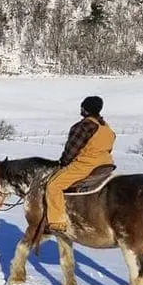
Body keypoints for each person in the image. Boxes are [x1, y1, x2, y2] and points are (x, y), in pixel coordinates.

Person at [45, 96, 116, 232]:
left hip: (86, 165)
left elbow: (71, 150)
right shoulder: (106, 127)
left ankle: (57, 222)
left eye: (82, 107)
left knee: (53, 186)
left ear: (85, 108)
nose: (81, 109)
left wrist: (63, 163)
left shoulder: (84, 126)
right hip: (106, 165)